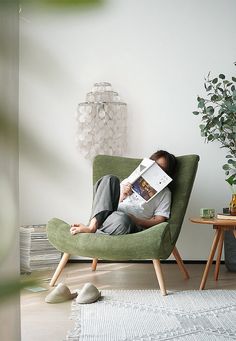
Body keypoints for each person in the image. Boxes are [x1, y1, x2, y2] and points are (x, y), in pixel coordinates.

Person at [70, 150, 177, 236]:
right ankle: (92, 227)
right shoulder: (129, 181)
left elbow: (160, 220)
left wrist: (137, 221)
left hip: (125, 222)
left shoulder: (165, 193)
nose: (156, 171)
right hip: (107, 215)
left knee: (123, 219)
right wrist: (123, 195)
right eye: (154, 166)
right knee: (110, 179)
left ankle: (94, 226)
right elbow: (108, 202)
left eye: (161, 169)